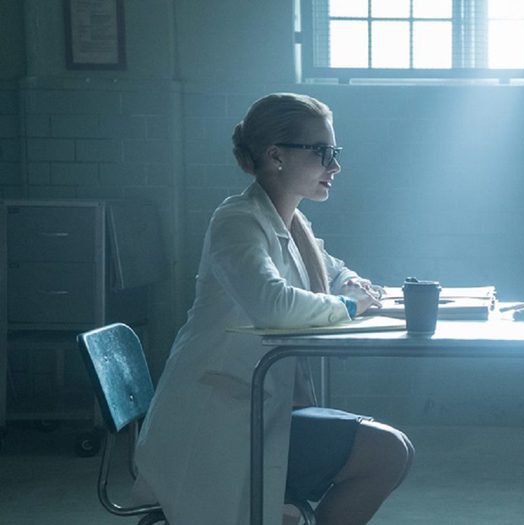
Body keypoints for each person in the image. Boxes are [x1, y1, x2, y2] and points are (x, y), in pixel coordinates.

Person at [134, 93, 413, 525]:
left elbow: (334, 271)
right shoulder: (237, 221)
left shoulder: (292, 222)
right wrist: (348, 305)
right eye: (322, 152)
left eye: (334, 152)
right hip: (219, 422)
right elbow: (273, 304)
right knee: (387, 452)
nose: (335, 166)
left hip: (259, 408)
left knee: (395, 449)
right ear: (276, 156)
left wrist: (351, 285)